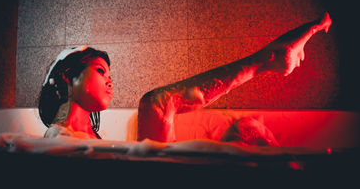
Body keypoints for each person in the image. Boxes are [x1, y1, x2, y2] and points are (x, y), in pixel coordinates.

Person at [38, 12, 332, 142]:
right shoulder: (57, 140)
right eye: (101, 71)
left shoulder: (86, 139)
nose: (111, 81)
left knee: (248, 129)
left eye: (110, 73)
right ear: (67, 75)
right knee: (155, 103)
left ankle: (266, 59)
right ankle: (265, 60)